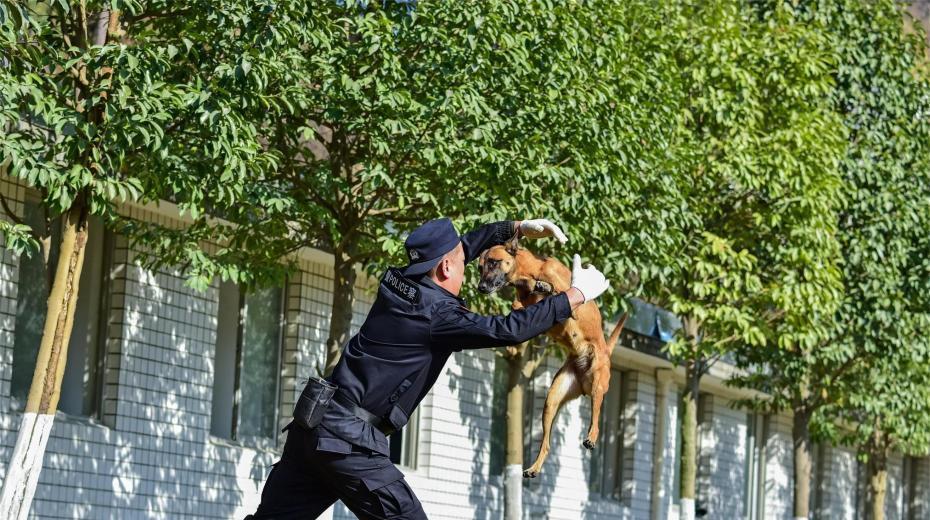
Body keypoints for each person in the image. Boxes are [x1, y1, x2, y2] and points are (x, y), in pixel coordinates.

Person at [248, 218, 610, 519]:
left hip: (314, 423)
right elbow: (506, 330)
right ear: (446, 268)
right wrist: (575, 295)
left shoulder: (398, 281)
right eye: (462, 262)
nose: (468, 266)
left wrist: (511, 229)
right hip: (350, 442)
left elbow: (458, 250)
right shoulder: (439, 315)